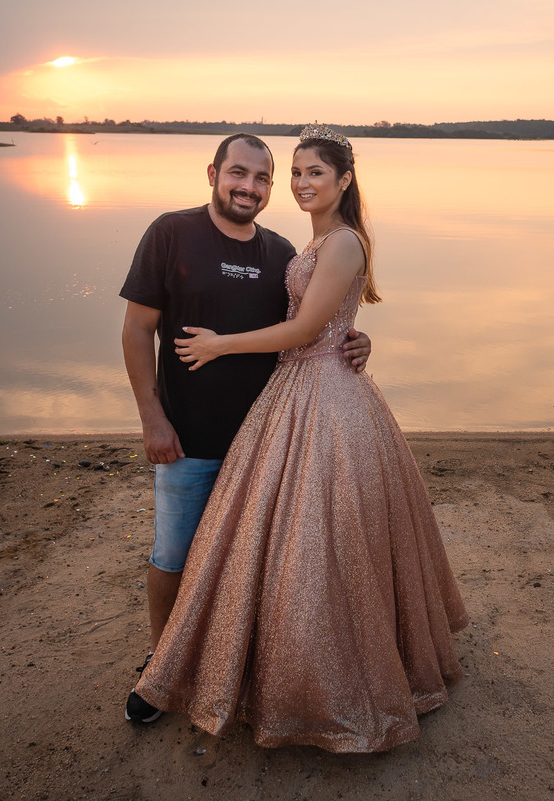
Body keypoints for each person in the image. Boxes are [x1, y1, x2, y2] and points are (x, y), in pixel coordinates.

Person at [132, 125, 468, 753]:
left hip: (318, 404)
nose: (297, 184)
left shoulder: (332, 243)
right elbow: (312, 320)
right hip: (264, 405)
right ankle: (181, 667)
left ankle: (319, 683)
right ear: (215, 173)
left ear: (344, 180)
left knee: (313, 547)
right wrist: (352, 337)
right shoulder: (278, 243)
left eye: (314, 172)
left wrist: (220, 344)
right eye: (295, 173)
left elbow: (309, 326)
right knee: (221, 547)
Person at [119, 133, 372, 723]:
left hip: (268, 441)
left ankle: (229, 660)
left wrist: (353, 342)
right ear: (213, 172)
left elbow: (310, 321)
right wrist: (153, 419)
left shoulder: (281, 250)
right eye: (239, 174)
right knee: (175, 554)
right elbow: (137, 332)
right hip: (188, 436)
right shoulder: (170, 233)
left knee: (252, 559)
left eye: (262, 178)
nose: (250, 188)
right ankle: (162, 662)